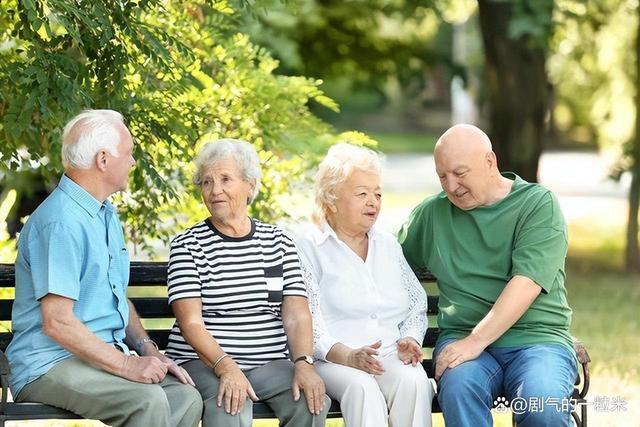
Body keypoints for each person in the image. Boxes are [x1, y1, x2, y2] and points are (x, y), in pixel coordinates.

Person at [6, 110, 203, 427]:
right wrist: (127, 366)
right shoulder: (61, 222)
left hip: (99, 355)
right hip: (48, 363)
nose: (133, 161)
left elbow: (116, 297)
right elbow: (57, 323)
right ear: (103, 159)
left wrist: (147, 350)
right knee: (147, 401)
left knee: (184, 395)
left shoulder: (105, 214)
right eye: (129, 153)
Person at [398, 124, 577, 427]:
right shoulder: (431, 215)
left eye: (460, 173)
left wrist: (476, 341)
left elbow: (526, 284)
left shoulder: (537, 205)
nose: (451, 186)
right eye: (442, 176)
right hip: (462, 338)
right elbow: (383, 264)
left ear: (490, 162)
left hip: (537, 341)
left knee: (542, 406)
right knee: (458, 388)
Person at [164, 138, 330, 427]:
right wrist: (226, 367)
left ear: (250, 185)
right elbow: (191, 323)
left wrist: (304, 363)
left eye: (226, 179)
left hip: (268, 362)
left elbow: (296, 314)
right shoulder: (187, 245)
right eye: (206, 182)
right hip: (205, 363)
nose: (215, 190)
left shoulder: (278, 241)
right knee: (231, 403)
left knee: (312, 402)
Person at [296, 143, 434, 427]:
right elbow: (307, 319)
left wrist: (410, 338)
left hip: (387, 354)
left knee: (415, 380)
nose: (373, 201)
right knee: (362, 387)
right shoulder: (309, 248)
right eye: (362, 194)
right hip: (333, 360)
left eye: (378, 194)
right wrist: (346, 355)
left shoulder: (387, 244)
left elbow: (416, 302)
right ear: (331, 199)